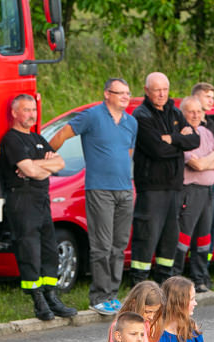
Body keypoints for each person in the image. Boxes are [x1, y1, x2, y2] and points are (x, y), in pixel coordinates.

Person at [49, 78, 137, 315]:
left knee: (119, 245)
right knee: (102, 245)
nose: (126, 98)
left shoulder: (131, 122)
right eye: (121, 93)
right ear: (107, 94)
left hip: (124, 190)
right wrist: (46, 155)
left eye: (128, 93)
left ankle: (112, 295)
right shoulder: (92, 116)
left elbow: (127, 154)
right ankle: (98, 296)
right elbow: (64, 133)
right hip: (99, 189)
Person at [0, 94, 77, 321]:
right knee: (29, 251)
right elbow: (32, 171)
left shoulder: (38, 138)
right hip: (21, 200)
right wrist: (41, 167)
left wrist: (36, 166)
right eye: (26, 110)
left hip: (41, 200)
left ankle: (52, 296)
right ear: (14, 113)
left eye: (33, 110)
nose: (32, 114)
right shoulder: (12, 140)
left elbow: (59, 163)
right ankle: (38, 301)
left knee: (49, 250)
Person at [130, 72, 200, 286]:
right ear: (147, 90)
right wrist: (180, 141)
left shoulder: (175, 112)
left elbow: (194, 139)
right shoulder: (141, 115)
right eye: (157, 90)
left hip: (174, 187)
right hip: (151, 188)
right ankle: (139, 284)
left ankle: (165, 282)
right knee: (146, 236)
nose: (161, 94)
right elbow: (157, 149)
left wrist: (173, 139)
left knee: (170, 237)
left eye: (165, 89)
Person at [174, 96, 214, 292]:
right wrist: (209, 160)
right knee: (184, 237)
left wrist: (205, 161)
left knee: (204, 237)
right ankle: (176, 280)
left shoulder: (205, 132)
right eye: (191, 112)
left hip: (208, 192)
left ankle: (200, 279)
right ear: (183, 114)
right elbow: (194, 164)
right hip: (190, 192)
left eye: (199, 111)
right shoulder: (182, 134)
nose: (196, 115)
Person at [190, 81, 214, 282]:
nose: (211, 101)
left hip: (210, 185)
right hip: (192, 186)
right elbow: (197, 162)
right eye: (207, 97)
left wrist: (209, 158)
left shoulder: (211, 125)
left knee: (210, 230)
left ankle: (203, 272)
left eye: (212, 97)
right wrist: (211, 158)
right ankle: (194, 273)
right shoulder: (188, 123)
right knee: (192, 232)